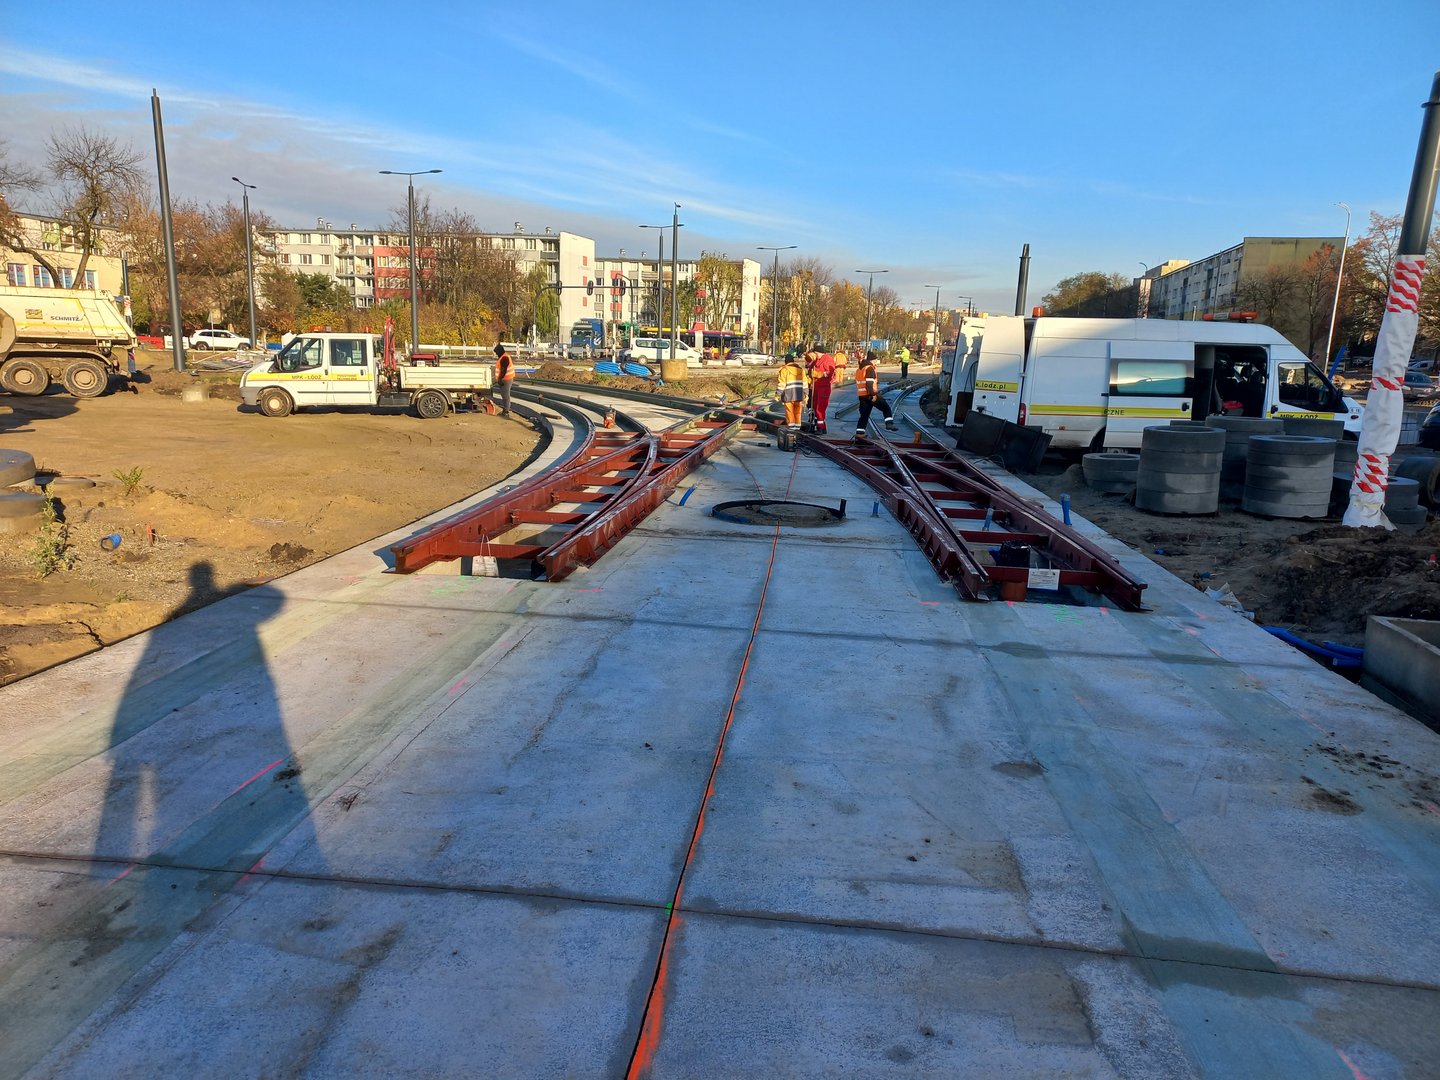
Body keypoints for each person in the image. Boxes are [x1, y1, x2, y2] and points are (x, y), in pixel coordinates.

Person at [854, 349, 897, 438]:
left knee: (864, 415)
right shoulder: (870, 369)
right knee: (886, 408)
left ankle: (859, 434)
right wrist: (873, 395)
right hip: (870, 395)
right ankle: (889, 423)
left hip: (862, 396)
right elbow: (869, 384)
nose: (876, 362)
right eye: (876, 360)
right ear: (872, 360)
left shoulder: (860, 369)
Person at [805, 345, 836, 434]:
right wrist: (810, 375)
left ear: (820, 352)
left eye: (816, 353)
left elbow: (830, 373)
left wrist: (820, 374)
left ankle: (820, 427)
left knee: (820, 408)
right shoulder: (816, 360)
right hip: (816, 386)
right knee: (815, 407)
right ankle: (822, 427)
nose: (815, 355)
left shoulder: (828, 360)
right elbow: (810, 367)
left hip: (824, 387)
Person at [776, 352, 808, 428]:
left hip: (788, 395)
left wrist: (778, 394)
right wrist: (806, 394)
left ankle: (791, 427)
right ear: (793, 361)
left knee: (790, 411)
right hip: (799, 394)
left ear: (785, 362)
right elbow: (805, 383)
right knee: (798, 412)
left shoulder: (784, 370)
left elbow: (782, 384)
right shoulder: (801, 370)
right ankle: (797, 427)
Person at [493, 342, 515, 415]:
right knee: (504, 395)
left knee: (505, 395)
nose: (496, 354)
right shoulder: (503, 356)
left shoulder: (504, 358)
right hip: (505, 379)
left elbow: (503, 370)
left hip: (506, 379)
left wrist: (500, 379)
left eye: (496, 353)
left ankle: (506, 411)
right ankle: (505, 409)